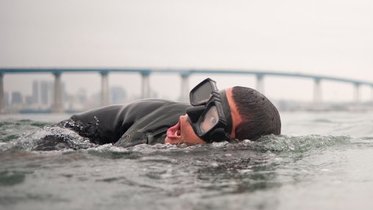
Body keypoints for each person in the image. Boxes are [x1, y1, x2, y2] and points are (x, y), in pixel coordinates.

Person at [59, 78, 281, 147]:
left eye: (210, 119)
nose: (186, 117)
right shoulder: (154, 116)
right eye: (204, 103)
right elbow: (65, 131)